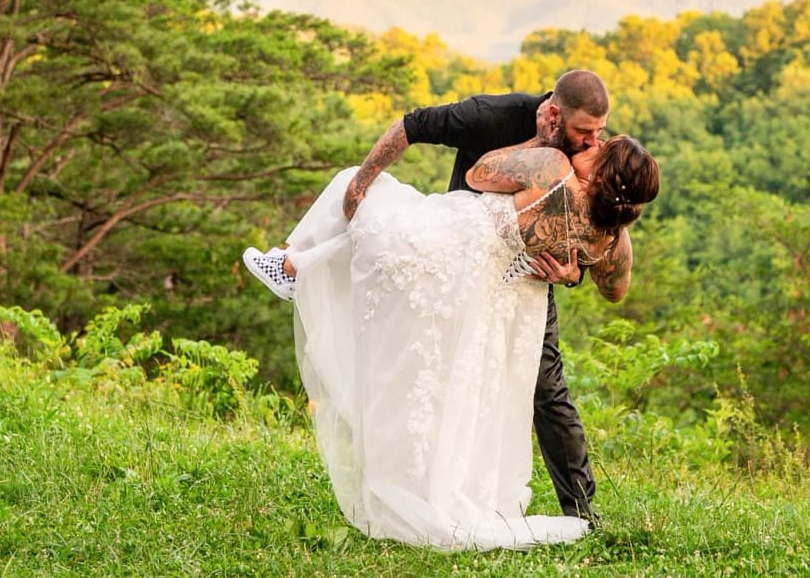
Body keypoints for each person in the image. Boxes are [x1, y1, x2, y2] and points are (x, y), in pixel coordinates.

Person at [243, 127, 659, 550]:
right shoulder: (611, 240)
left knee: (364, 188)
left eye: (601, 148)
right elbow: (615, 290)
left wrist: (538, 142)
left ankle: (291, 267)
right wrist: (575, 270)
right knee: (463, 397)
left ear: (602, 173)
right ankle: (443, 486)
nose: (593, 144)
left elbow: (479, 175)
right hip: (504, 304)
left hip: (453, 249)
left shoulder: (554, 168)